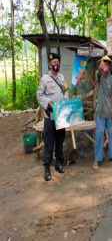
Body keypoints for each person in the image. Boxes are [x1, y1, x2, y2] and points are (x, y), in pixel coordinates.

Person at [36, 53, 69, 181]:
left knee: (60, 141)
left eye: (57, 62)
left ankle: (59, 163)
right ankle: (47, 168)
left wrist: (65, 97)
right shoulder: (45, 78)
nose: (56, 64)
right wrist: (47, 103)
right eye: (53, 63)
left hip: (61, 116)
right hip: (49, 117)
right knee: (49, 142)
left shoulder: (61, 77)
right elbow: (39, 94)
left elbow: (66, 90)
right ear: (49, 65)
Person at [93, 55, 112, 170]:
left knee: (111, 134)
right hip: (100, 111)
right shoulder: (99, 76)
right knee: (99, 135)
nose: (106, 65)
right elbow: (98, 75)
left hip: (109, 112)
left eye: (107, 63)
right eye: (104, 63)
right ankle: (97, 159)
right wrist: (100, 69)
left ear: (110, 66)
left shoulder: (110, 79)